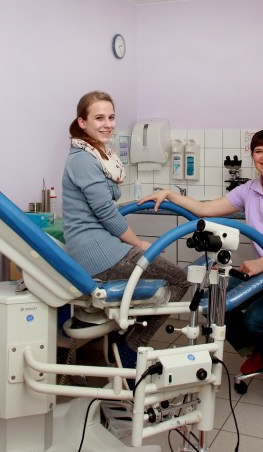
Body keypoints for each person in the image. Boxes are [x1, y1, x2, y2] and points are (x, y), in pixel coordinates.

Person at [139, 129, 263, 403]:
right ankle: (260, 353)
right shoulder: (248, 191)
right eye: (259, 151)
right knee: (211, 297)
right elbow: (204, 209)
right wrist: (170, 194)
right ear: (252, 156)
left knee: (257, 318)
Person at [61, 91, 190, 379]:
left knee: (164, 270)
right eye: (98, 118)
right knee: (181, 279)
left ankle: (127, 341)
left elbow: (104, 207)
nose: (107, 124)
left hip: (102, 248)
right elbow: (106, 213)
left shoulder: (99, 155)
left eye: (110, 117)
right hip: (99, 255)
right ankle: (131, 345)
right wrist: (141, 243)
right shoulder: (82, 159)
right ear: (82, 123)